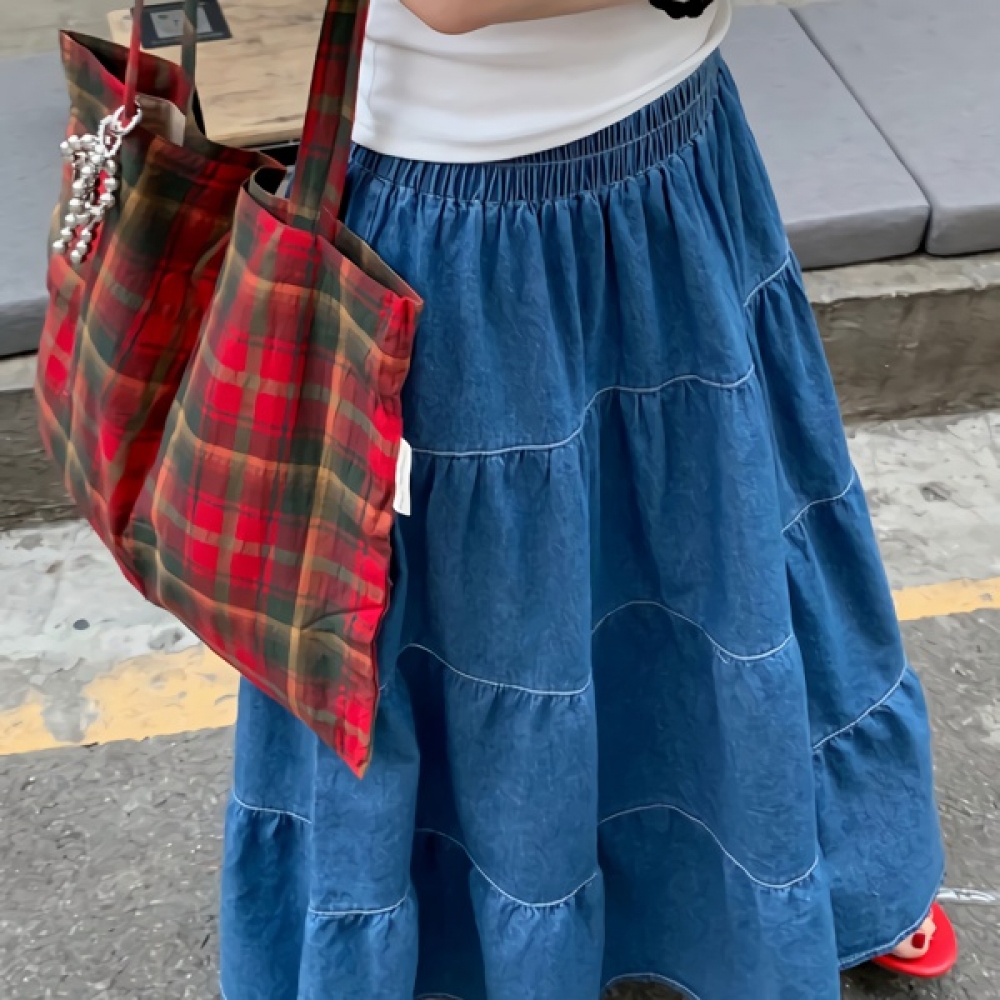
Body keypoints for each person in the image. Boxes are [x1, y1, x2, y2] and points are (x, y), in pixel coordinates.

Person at [218, 1, 949, 996]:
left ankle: (825, 869)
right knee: (511, 624)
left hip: (679, 147)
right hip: (466, 220)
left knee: (733, 545)